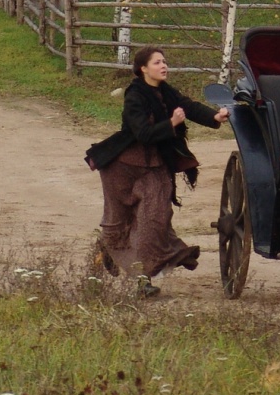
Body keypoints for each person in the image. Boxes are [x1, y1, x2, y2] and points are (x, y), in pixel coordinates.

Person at [84, 46, 230, 297]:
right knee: (118, 223)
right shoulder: (135, 95)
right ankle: (105, 256)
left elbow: (189, 106)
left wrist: (215, 116)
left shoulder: (166, 91)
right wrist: (171, 123)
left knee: (154, 220)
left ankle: (144, 278)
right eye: (157, 63)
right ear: (143, 68)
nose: (164, 66)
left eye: (164, 62)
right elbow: (142, 133)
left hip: (155, 168)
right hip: (123, 167)